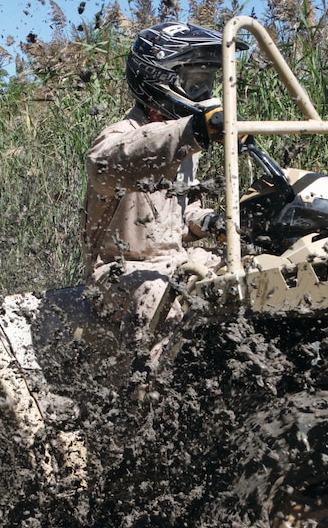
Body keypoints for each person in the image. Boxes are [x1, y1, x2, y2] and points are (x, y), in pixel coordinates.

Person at [81, 21, 243, 363]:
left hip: (176, 260)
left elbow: (179, 216)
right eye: (194, 82)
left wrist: (212, 221)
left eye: (207, 81)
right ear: (159, 79)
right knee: (155, 290)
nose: (204, 92)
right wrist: (192, 130)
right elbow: (109, 165)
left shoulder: (183, 145)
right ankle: (147, 395)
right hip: (115, 272)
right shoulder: (122, 136)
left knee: (245, 272)